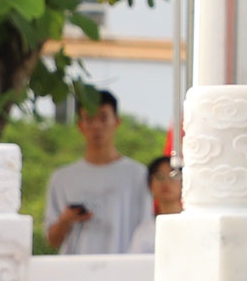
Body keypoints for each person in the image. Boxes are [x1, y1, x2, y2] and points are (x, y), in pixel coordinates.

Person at [43, 90, 150, 255]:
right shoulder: (62, 177)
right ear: (80, 125)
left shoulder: (139, 175)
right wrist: (65, 220)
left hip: (123, 266)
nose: (97, 126)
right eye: (89, 119)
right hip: (76, 267)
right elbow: (52, 241)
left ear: (117, 121)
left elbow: (147, 231)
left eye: (103, 118)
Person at [127, 154, 182, 255]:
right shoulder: (144, 231)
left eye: (173, 175)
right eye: (159, 176)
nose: (166, 182)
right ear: (150, 184)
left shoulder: (192, 224)